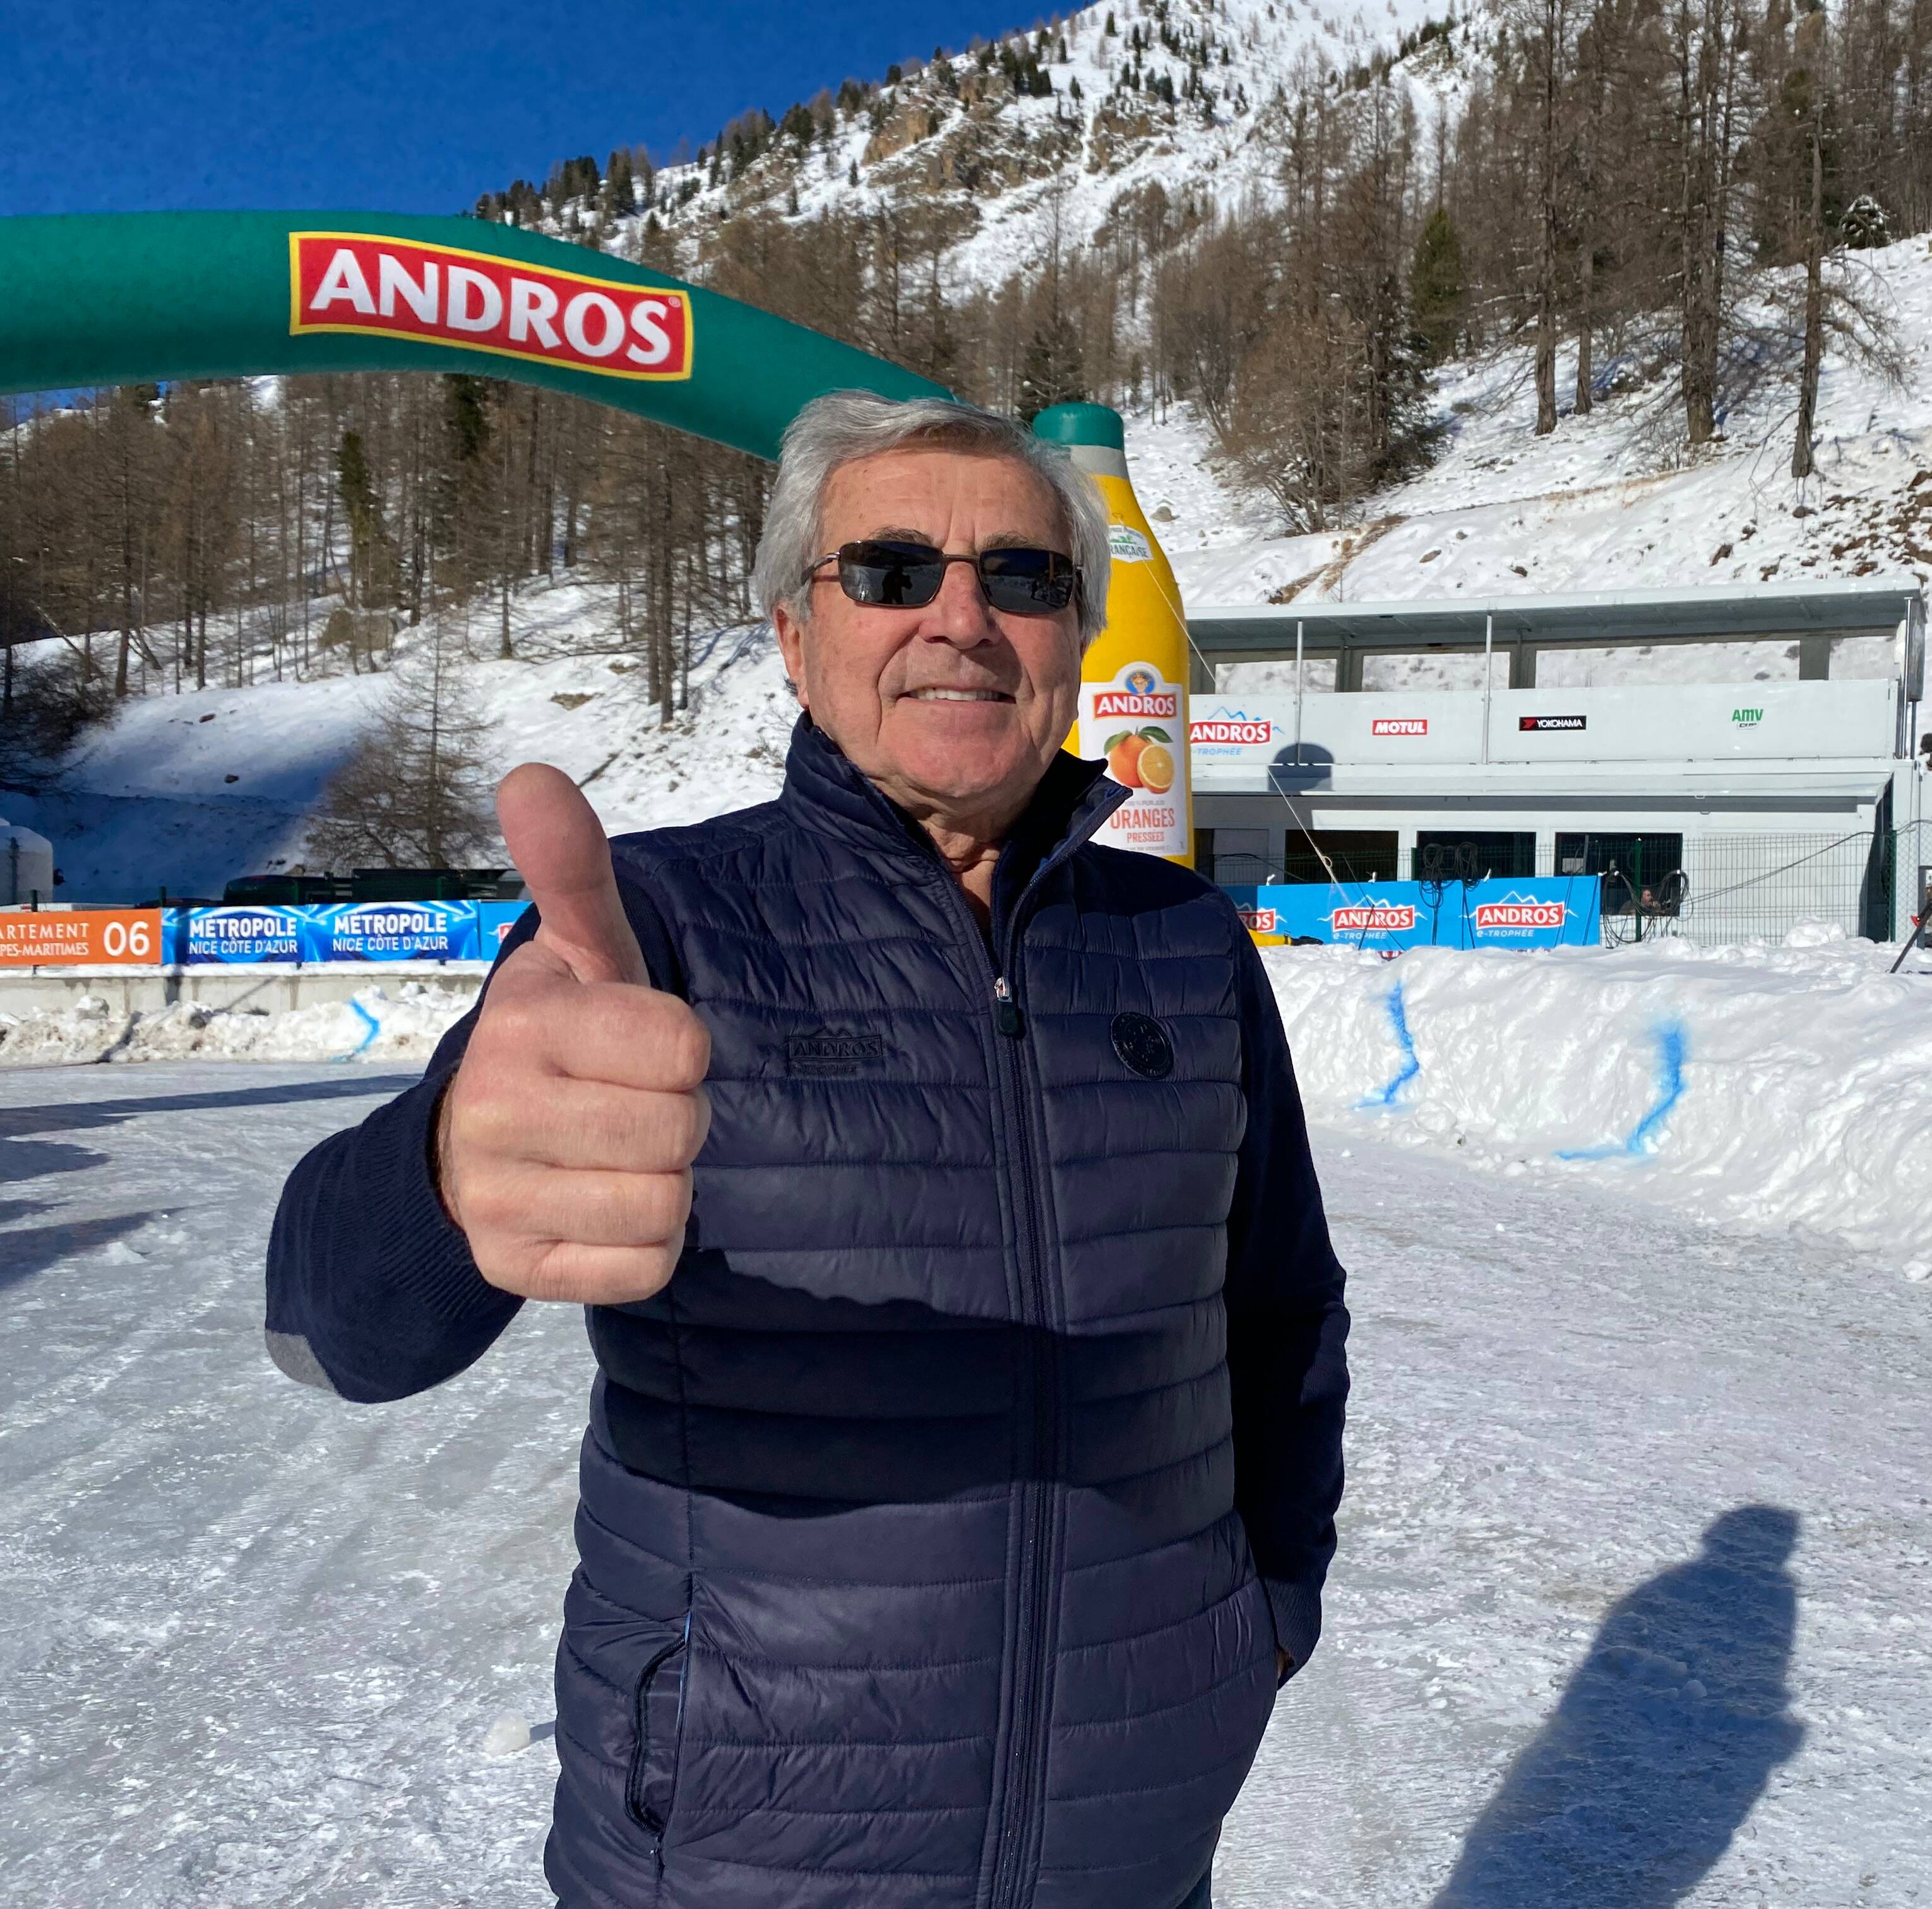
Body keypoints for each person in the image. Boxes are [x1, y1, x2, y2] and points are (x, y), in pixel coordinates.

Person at [265, 392, 1352, 1909]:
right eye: (893, 571)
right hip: (744, 1843)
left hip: (1137, 1827)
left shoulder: (1180, 942)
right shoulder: (658, 925)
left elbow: (1282, 1314)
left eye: (1024, 577)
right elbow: (333, 1336)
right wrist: (444, 1176)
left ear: (1075, 638)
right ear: (793, 636)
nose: (962, 618)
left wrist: (1265, 1611)